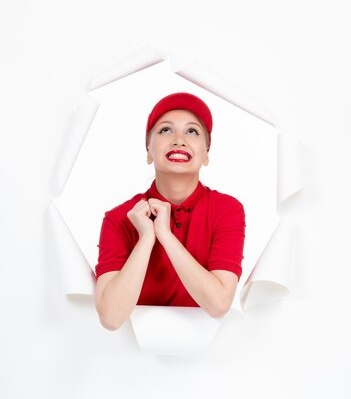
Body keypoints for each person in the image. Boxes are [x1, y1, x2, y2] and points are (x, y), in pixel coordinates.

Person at [94, 92, 245, 330]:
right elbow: (111, 318)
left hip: (207, 357)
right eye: (165, 130)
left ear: (206, 154)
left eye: (192, 131)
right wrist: (146, 238)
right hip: (131, 358)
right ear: (148, 151)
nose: (179, 140)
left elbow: (218, 304)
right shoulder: (119, 219)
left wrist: (165, 235)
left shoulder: (227, 210)